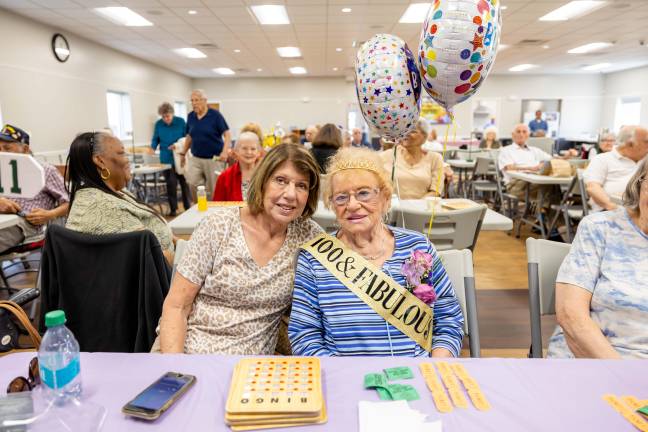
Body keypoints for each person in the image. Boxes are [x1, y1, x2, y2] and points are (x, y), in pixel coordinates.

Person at [289, 147, 464, 356]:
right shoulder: (314, 260)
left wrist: (434, 368)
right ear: (332, 206)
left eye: (363, 193)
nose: (352, 205)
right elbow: (304, 336)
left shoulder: (417, 247)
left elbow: (448, 320)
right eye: (341, 197)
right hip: (346, 379)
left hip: (418, 375)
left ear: (385, 198)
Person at [158, 144, 323, 354]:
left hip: (251, 370)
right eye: (280, 181)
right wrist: (176, 370)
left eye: (302, 185)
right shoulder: (218, 226)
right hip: (189, 352)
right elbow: (176, 306)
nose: (291, 194)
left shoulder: (309, 236)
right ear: (263, 181)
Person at [547, 158, 648, 359]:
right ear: (639, 184)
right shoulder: (600, 228)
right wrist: (623, 374)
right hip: (597, 361)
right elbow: (571, 315)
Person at [65, 132, 175, 264]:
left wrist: (179, 242)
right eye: (122, 153)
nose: (128, 159)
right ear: (100, 161)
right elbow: (155, 262)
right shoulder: (104, 207)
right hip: (158, 278)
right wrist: (186, 254)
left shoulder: (112, 193)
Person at [0, 124, 69, 252]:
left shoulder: (45, 170)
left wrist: (50, 214)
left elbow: (69, 203)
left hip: (24, 224)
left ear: (25, 149)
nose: (1, 153)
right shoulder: (2, 170)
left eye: (7, 148)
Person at [179, 90, 231, 196]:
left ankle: (214, 210)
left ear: (205, 101)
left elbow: (227, 134)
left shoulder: (215, 115)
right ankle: (200, 208)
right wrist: (183, 153)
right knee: (192, 183)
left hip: (214, 159)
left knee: (215, 188)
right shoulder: (191, 116)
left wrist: (225, 152)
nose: (194, 103)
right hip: (196, 158)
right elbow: (189, 136)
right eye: (192, 101)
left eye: (197, 100)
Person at [584, 126, 648, 212]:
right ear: (630, 144)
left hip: (641, 210)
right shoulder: (602, 159)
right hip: (612, 211)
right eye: (646, 142)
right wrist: (613, 207)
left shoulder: (645, 159)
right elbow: (593, 188)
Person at [380, 119, 449, 199]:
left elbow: (435, 192)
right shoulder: (386, 156)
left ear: (424, 136)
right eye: (404, 131)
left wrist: (414, 207)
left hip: (422, 209)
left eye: (412, 131)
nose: (406, 134)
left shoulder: (435, 158)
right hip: (394, 208)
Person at [150, 102, 191, 216]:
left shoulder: (181, 122)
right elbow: (155, 139)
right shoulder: (158, 124)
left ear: (172, 114)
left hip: (180, 156)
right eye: (163, 117)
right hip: (166, 158)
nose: (165, 119)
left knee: (184, 183)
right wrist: (152, 148)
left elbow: (187, 138)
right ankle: (173, 209)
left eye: (167, 116)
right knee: (171, 184)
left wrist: (178, 146)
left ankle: (188, 207)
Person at [498, 123, 553, 201]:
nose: (521, 134)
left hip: (533, 180)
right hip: (515, 185)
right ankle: (542, 210)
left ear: (528, 135)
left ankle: (545, 211)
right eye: (518, 132)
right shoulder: (506, 150)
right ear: (513, 135)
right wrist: (532, 168)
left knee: (554, 186)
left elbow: (551, 158)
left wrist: (567, 156)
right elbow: (509, 167)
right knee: (546, 186)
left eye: (524, 132)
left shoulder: (534, 150)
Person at [212, 131, 261, 201]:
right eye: (244, 148)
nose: (249, 152)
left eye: (253, 149)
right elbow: (217, 205)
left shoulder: (265, 174)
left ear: (258, 152)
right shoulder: (224, 177)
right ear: (236, 151)